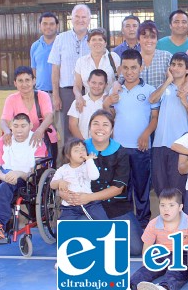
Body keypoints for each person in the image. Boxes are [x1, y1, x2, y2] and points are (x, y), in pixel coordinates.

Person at [106, 188, 188, 290]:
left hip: (182, 253)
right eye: (163, 205)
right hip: (161, 253)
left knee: (177, 272)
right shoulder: (154, 223)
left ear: (180, 207)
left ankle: (164, 289)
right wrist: (146, 262)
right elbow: (148, 244)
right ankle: (128, 288)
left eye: (171, 205)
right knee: (145, 271)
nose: (166, 209)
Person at [59, 109, 142, 255]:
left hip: (116, 207)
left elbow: (117, 188)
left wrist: (89, 197)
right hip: (87, 208)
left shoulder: (120, 152)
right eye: (95, 124)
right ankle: (100, 239)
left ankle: (101, 240)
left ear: (111, 130)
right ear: (90, 127)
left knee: (136, 248)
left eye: (105, 125)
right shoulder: (79, 148)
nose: (100, 128)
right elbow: (65, 175)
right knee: (71, 232)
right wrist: (63, 193)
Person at [103, 49, 158, 228]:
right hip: (119, 149)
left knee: (142, 188)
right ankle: (124, 225)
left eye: (133, 67)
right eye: (125, 68)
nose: (129, 72)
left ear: (141, 68)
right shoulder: (115, 90)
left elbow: (155, 118)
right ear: (120, 69)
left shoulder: (150, 91)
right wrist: (107, 102)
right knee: (121, 189)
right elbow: (109, 114)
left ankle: (143, 225)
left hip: (141, 149)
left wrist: (145, 134)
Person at [0, 113, 47, 240]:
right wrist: (5, 176)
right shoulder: (3, 140)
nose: (19, 129)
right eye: (16, 126)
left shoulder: (37, 141)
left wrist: (18, 174)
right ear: (11, 126)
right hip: (2, 173)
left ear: (31, 126)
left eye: (23, 126)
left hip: (24, 177)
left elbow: (36, 171)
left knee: (5, 187)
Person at [150, 52, 188, 197]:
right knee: (160, 187)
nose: (175, 68)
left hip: (180, 147)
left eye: (180, 65)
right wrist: (168, 81)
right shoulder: (164, 87)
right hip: (160, 144)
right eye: (173, 64)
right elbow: (152, 99)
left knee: (178, 189)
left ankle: (180, 219)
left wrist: (185, 102)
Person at [48, 3, 91, 143]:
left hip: (90, 92)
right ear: (71, 19)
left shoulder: (95, 39)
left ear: (89, 19)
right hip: (66, 93)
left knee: (89, 127)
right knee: (68, 130)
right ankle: (70, 163)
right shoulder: (61, 39)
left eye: (84, 17)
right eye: (77, 16)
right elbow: (55, 70)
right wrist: (56, 95)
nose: (80, 20)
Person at [0, 66, 58, 161]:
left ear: (34, 81)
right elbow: (3, 120)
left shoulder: (43, 96)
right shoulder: (11, 99)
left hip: (44, 138)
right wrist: (7, 131)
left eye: (27, 80)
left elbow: (49, 116)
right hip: (21, 140)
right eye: (20, 81)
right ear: (15, 83)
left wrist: (39, 131)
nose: (24, 84)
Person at [50, 138, 107, 220]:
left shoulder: (87, 165)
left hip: (89, 203)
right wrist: (59, 182)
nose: (81, 152)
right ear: (68, 155)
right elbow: (52, 185)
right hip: (69, 206)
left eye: (83, 149)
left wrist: (89, 160)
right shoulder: (63, 169)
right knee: (62, 229)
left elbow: (94, 176)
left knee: (103, 221)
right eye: (76, 150)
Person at [73, 28, 120, 112]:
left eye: (100, 39)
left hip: (111, 105)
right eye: (93, 39)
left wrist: (116, 86)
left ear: (105, 43)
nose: (97, 42)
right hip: (88, 105)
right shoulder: (81, 61)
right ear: (88, 43)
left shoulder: (114, 57)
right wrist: (78, 96)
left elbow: (121, 79)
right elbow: (77, 85)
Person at [68, 69, 107, 139]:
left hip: (104, 146)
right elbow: (72, 125)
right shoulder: (78, 101)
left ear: (106, 85)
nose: (96, 86)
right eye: (93, 83)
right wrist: (84, 144)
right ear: (88, 82)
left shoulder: (108, 102)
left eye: (100, 83)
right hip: (83, 145)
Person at [137, 20, 172, 89]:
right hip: (136, 99)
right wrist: (116, 84)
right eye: (145, 37)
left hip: (162, 99)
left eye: (152, 37)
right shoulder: (133, 59)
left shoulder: (167, 57)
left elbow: (180, 78)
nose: (149, 41)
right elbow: (121, 81)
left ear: (157, 40)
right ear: (138, 39)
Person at [30, 12, 58, 93]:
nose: (48, 27)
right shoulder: (35, 46)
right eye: (45, 24)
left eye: (51, 24)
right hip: (40, 92)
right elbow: (34, 70)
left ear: (57, 26)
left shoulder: (63, 44)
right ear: (40, 26)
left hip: (60, 93)